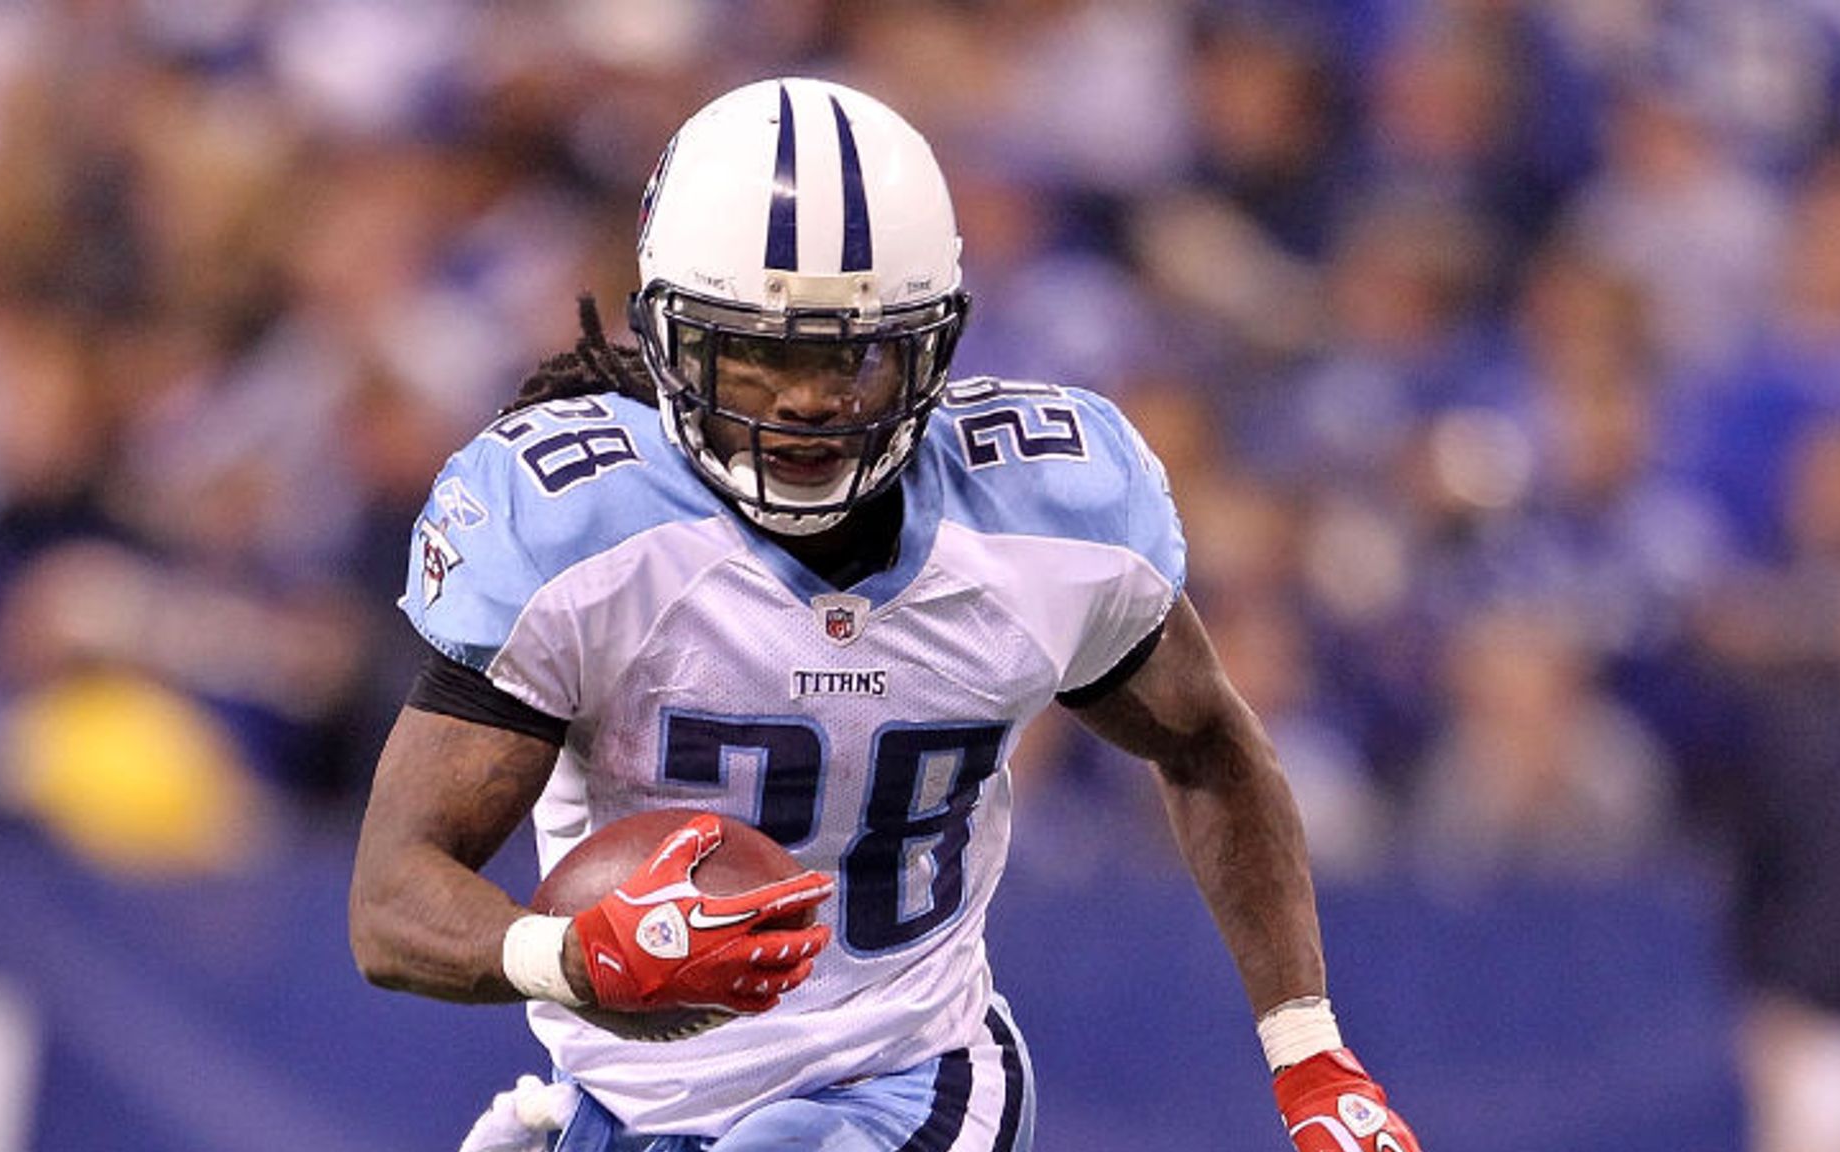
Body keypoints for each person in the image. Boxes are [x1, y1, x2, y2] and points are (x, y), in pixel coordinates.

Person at [347, 76, 1420, 1152]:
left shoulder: (1045, 521)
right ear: (669, 338)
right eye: (760, 349)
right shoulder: (581, 534)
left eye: (849, 351)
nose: (806, 398)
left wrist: (1310, 1055)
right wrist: (571, 957)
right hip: (630, 1108)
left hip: (904, 1079)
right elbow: (393, 899)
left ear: (934, 348)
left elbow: (1205, 742)